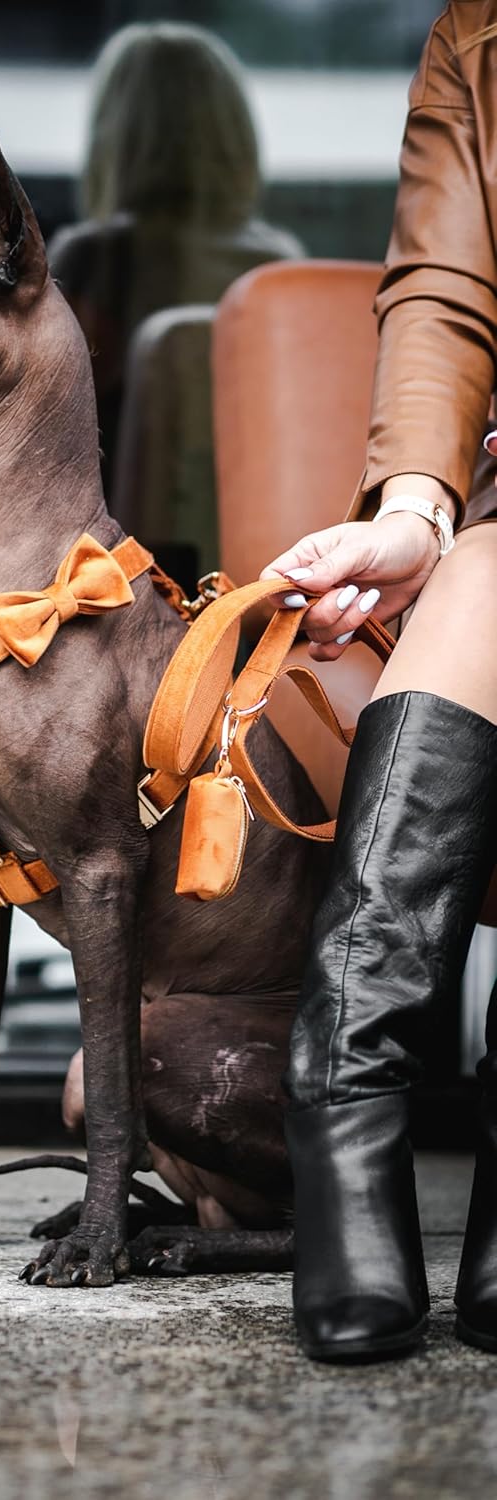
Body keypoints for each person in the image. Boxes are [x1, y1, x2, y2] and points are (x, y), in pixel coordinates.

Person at [261, 2, 497, 1363]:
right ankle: (342, 1082)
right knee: (472, 574)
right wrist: (418, 508)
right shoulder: (478, 26)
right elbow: (448, 289)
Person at [48, 21, 301, 497]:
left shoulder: (89, 258)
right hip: (254, 526)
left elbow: (51, 436)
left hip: (113, 536)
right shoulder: (278, 267)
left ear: (113, 139)